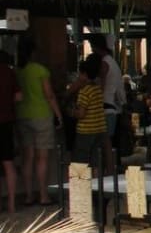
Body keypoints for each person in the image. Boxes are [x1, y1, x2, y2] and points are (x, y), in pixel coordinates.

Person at [15, 37, 63, 206]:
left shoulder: (18, 71)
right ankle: (43, 195)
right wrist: (58, 114)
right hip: (42, 115)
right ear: (33, 53)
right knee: (42, 157)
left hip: (22, 115)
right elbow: (49, 95)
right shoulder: (40, 70)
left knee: (27, 157)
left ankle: (28, 195)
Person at [72, 54, 109, 168]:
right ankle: (96, 178)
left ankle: (82, 180)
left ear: (84, 74)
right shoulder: (97, 89)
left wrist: (71, 112)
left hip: (85, 130)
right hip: (99, 129)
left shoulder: (84, 91)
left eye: (80, 74)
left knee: (81, 160)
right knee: (95, 160)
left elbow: (81, 113)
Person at [0, 50, 22, 214]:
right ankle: (12, 204)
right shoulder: (9, 72)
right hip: (6, 123)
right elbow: (19, 97)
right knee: (8, 163)